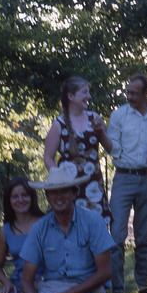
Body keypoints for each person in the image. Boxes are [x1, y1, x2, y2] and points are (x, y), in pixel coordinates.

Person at [106, 73, 147, 293]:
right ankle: (117, 290)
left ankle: (143, 286)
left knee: (143, 237)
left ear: (145, 93)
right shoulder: (119, 115)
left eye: (134, 93)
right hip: (123, 178)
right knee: (117, 236)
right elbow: (112, 147)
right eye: (127, 92)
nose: (129, 96)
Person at [43, 76, 113, 228]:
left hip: (93, 182)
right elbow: (48, 157)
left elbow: (110, 148)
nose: (89, 96)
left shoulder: (94, 118)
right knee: (69, 225)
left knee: (95, 228)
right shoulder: (58, 124)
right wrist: (59, 178)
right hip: (68, 186)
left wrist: (102, 131)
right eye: (84, 93)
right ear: (71, 96)